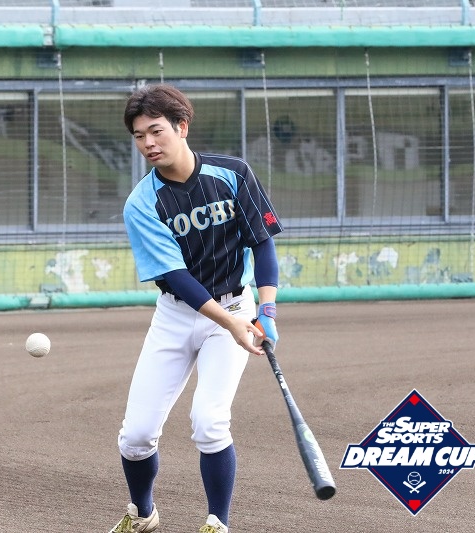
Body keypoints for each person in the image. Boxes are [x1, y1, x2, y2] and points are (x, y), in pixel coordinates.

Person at [109, 84, 283, 533]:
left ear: (182, 127)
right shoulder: (141, 204)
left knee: (210, 421)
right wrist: (233, 325)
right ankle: (143, 514)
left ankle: (216, 523)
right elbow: (178, 279)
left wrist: (266, 311)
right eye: (139, 136)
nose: (148, 143)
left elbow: (261, 243)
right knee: (135, 436)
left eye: (156, 131)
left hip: (236, 303)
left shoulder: (233, 174)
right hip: (177, 315)